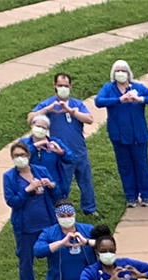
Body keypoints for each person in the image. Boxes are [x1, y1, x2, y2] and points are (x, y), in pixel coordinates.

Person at [94, 60, 148, 208]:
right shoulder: (109, 88)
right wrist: (119, 100)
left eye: (123, 70)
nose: (120, 73)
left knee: (141, 165)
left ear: (128, 73)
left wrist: (140, 99)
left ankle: (146, 194)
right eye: (117, 71)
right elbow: (98, 101)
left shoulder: (137, 87)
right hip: (118, 135)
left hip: (138, 135)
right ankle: (131, 196)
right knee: (125, 166)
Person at [32, 73, 99, 215]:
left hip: (79, 150)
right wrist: (48, 109)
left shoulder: (77, 104)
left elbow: (89, 119)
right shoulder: (49, 103)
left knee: (85, 182)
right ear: (54, 86)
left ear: (71, 86)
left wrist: (71, 111)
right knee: (62, 184)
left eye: (66, 86)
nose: (63, 88)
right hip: (61, 153)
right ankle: (60, 210)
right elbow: (31, 118)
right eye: (60, 85)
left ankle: (90, 209)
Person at [4, 141, 57, 280]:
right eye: (16, 156)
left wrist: (51, 185)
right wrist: (27, 190)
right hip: (25, 226)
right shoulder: (9, 177)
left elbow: (57, 193)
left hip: (46, 222)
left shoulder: (40, 171)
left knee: (54, 257)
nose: (20, 158)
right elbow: (12, 201)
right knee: (26, 260)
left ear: (28, 155)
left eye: (22, 155)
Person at [17, 116, 71, 201]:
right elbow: (20, 159)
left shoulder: (55, 142)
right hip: (31, 183)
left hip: (52, 183)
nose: (40, 129)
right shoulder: (23, 143)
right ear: (32, 125)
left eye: (43, 128)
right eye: (38, 126)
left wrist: (61, 152)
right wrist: (35, 146)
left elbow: (71, 159)